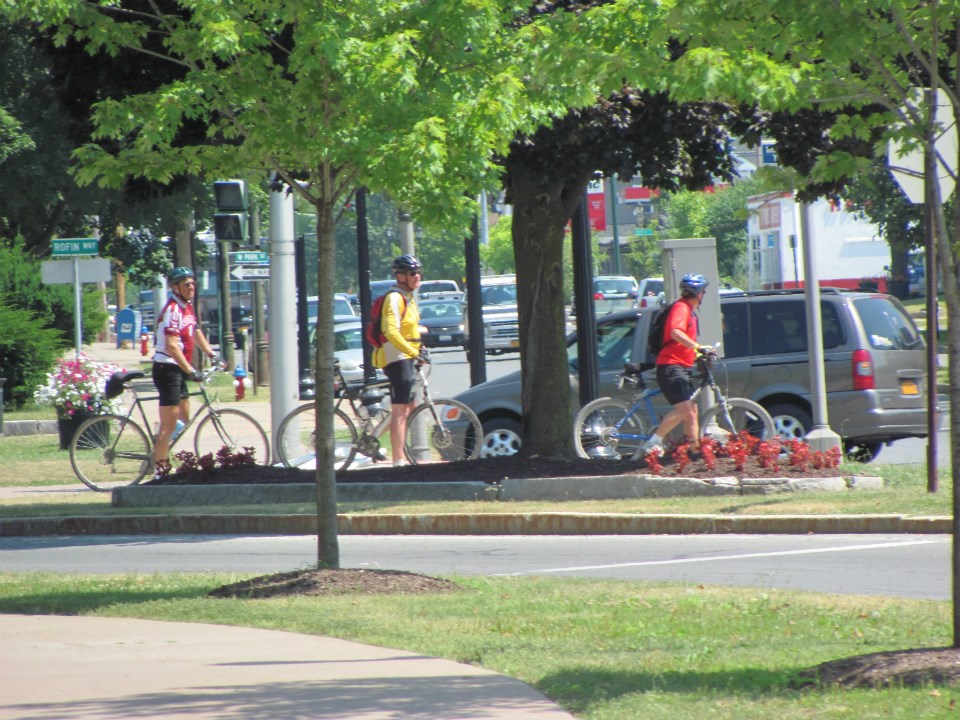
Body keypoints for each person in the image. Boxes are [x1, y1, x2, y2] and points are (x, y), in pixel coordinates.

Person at [151, 266, 219, 476]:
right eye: (186, 284)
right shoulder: (173, 310)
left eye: (193, 283)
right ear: (175, 287)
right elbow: (171, 345)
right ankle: (159, 470)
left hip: (178, 369)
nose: (192, 287)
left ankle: (159, 445)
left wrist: (211, 353)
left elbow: (195, 330)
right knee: (169, 426)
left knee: (185, 416)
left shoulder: (186, 307)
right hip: (167, 369)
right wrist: (190, 370)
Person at [640, 273, 713, 455]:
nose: (703, 295)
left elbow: (682, 344)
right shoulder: (682, 308)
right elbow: (675, 333)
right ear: (697, 293)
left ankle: (695, 451)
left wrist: (700, 353)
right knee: (685, 409)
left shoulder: (689, 311)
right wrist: (698, 346)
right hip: (671, 367)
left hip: (680, 366)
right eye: (703, 291)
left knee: (692, 411)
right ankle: (654, 442)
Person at [372, 254, 426, 467]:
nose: (417, 276)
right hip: (396, 357)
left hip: (406, 355)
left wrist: (420, 348)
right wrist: (412, 352)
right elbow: (391, 332)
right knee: (400, 410)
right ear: (400, 275)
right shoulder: (394, 298)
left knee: (410, 405)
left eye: (418, 272)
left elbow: (410, 329)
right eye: (412, 273)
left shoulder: (408, 297)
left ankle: (373, 439)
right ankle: (398, 461)